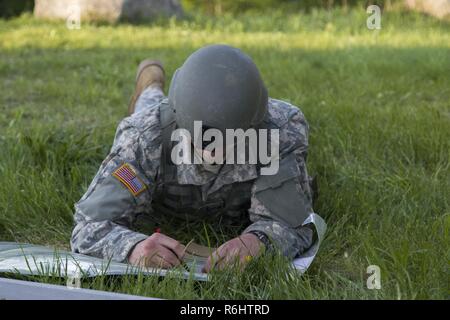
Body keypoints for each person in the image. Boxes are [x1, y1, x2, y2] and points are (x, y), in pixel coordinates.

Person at [70, 44, 323, 273]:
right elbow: (89, 227)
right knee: (149, 108)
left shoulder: (280, 132)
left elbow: (295, 224)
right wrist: (133, 248)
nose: (211, 153)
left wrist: (259, 242)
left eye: (226, 142)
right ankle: (149, 86)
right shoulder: (142, 137)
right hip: (160, 118)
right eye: (200, 141)